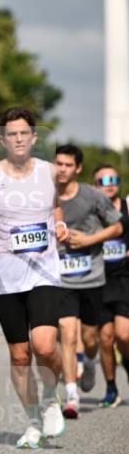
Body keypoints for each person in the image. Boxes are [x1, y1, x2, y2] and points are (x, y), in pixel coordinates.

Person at [0, 107, 67, 449]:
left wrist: (60, 224)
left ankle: (51, 398)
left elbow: (56, 208)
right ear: (3, 140)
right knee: (21, 355)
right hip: (6, 277)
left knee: (44, 345)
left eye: (24, 132)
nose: (19, 138)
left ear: (34, 137)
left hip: (44, 272)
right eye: (12, 134)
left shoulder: (50, 172)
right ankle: (33, 420)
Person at [54, 146, 122, 418]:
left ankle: (91, 362)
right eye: (58, 163)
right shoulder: (46, 196)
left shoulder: (93, 196)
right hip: (62, 279)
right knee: (67, 335)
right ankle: (72, 396)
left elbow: (117, 227)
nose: (62, 169)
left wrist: (89, 240)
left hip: (93, 277)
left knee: (90, 338)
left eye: (68, 165)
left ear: (78, 168)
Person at [93, 164, 129, 406]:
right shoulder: (90, 210)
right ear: (96, 185)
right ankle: (111, 387)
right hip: (98, 279)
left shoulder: (127, 205)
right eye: (103, 179)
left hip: (124, 278)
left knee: (123, 335)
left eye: (113, 178)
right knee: (105, 339)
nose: (109, 182)